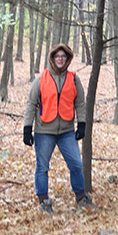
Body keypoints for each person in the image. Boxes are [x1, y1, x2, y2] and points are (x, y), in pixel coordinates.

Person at [23, 42, 93, 214]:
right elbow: (31, 104)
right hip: (44, 131)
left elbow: (80, 103)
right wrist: (27, 128)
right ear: (52, 58)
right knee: (42, 167)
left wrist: (82, 124)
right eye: (57, 56)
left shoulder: (74, 79)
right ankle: (44, 202)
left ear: (67, 59)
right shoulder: (41, 79)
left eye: (63, 56)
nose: (60, 59)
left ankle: (82, 199)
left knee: (76, 164)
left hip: (67, 131)